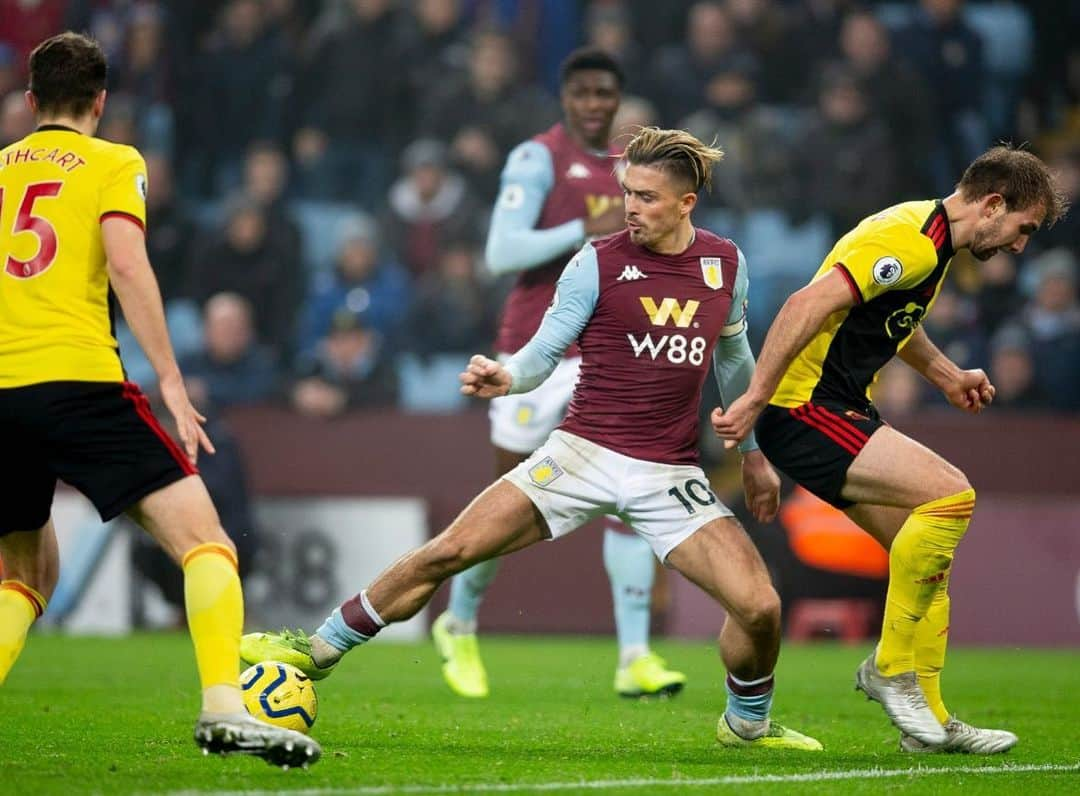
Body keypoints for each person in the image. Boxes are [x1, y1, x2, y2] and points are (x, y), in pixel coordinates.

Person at [241, 127, 822, 752]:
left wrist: (753, 452)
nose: (630, 207)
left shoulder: (725, 264)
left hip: (669, 473)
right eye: (627, 192)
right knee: (450, 551)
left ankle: (746, 724)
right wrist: (506, 375)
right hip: (580, 455)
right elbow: (543, 354)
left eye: (648, 197)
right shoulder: (596, 261)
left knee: (760, 607)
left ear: (687, 203)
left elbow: (734, 359)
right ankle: (319, 645)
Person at [0, 33, 319, 767]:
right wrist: (170, 376)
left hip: (3, 394)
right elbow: (124, 261)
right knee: (207, 542)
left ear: (30, 101)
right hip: (79, 382)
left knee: (24, 578)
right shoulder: (115, 161)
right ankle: (222, 708)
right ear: (101, 102)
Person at [713, 144, 1067, 754]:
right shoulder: (909, 240)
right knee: (951, 495)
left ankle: (926, 724)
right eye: (1022, 228)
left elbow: (894, 321)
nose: (1020, 246)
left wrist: (949, 376)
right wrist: (756, 398)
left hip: (834, 408)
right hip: (804, 410)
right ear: (992, 203)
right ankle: (891, 670)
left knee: (924, 554)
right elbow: (805, 304)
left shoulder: (929, 243)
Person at [439, 47, 686, 701]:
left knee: (630, 496)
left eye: (610, 95)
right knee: (503, 503)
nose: (599, 107)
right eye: (587, 94)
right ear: (569, 98)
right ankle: (459, 622)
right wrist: (584, 222)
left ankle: (634, 654)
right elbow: (499, 251)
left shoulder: (639, 180)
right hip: (532, 355)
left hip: (608, 357)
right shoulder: (537, 158)